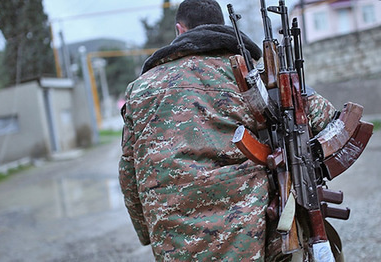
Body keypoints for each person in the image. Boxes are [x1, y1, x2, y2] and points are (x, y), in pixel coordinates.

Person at [119, 0, 337, 261]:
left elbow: (129, 174)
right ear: (219, 26)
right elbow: (328, 120)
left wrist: (148, 232)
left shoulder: (140, 90)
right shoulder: (252, 77)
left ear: (180, 30)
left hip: (172, 239)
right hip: (248, 235)